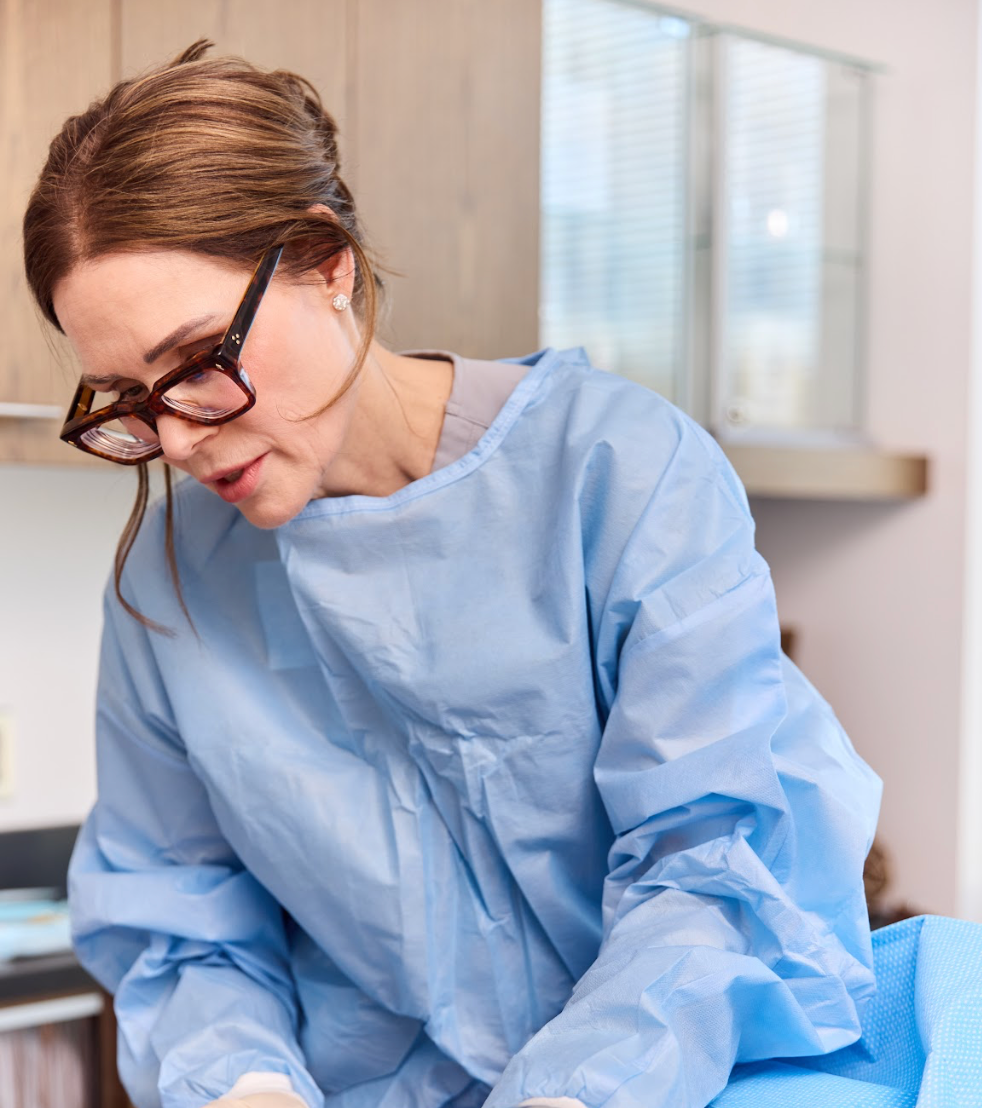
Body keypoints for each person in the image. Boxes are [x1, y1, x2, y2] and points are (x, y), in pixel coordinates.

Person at [24, 41, 881, 1108]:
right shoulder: (171, 580)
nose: (179, 438)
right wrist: (243, 1084)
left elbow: (712, 864)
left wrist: (580, 1089)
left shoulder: (614, 473)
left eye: (200, 362)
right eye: (127, 399)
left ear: (326, 260)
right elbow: (181, 919)